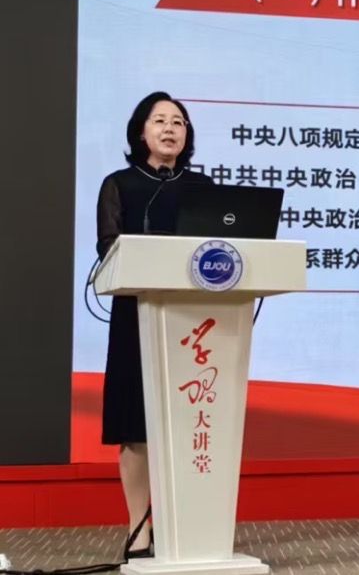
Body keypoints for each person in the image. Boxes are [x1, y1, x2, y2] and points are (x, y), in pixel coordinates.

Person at [96, 92, 213, 559]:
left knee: (189, 423)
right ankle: (139, 528)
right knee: (135, 426)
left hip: (195, 320)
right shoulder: (120, 184)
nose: (169, 128)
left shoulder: (202, 186)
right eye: (159, 120)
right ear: (141, 132)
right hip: (136, 316)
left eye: (178, 122)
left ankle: (183, 524)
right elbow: (109, 248)